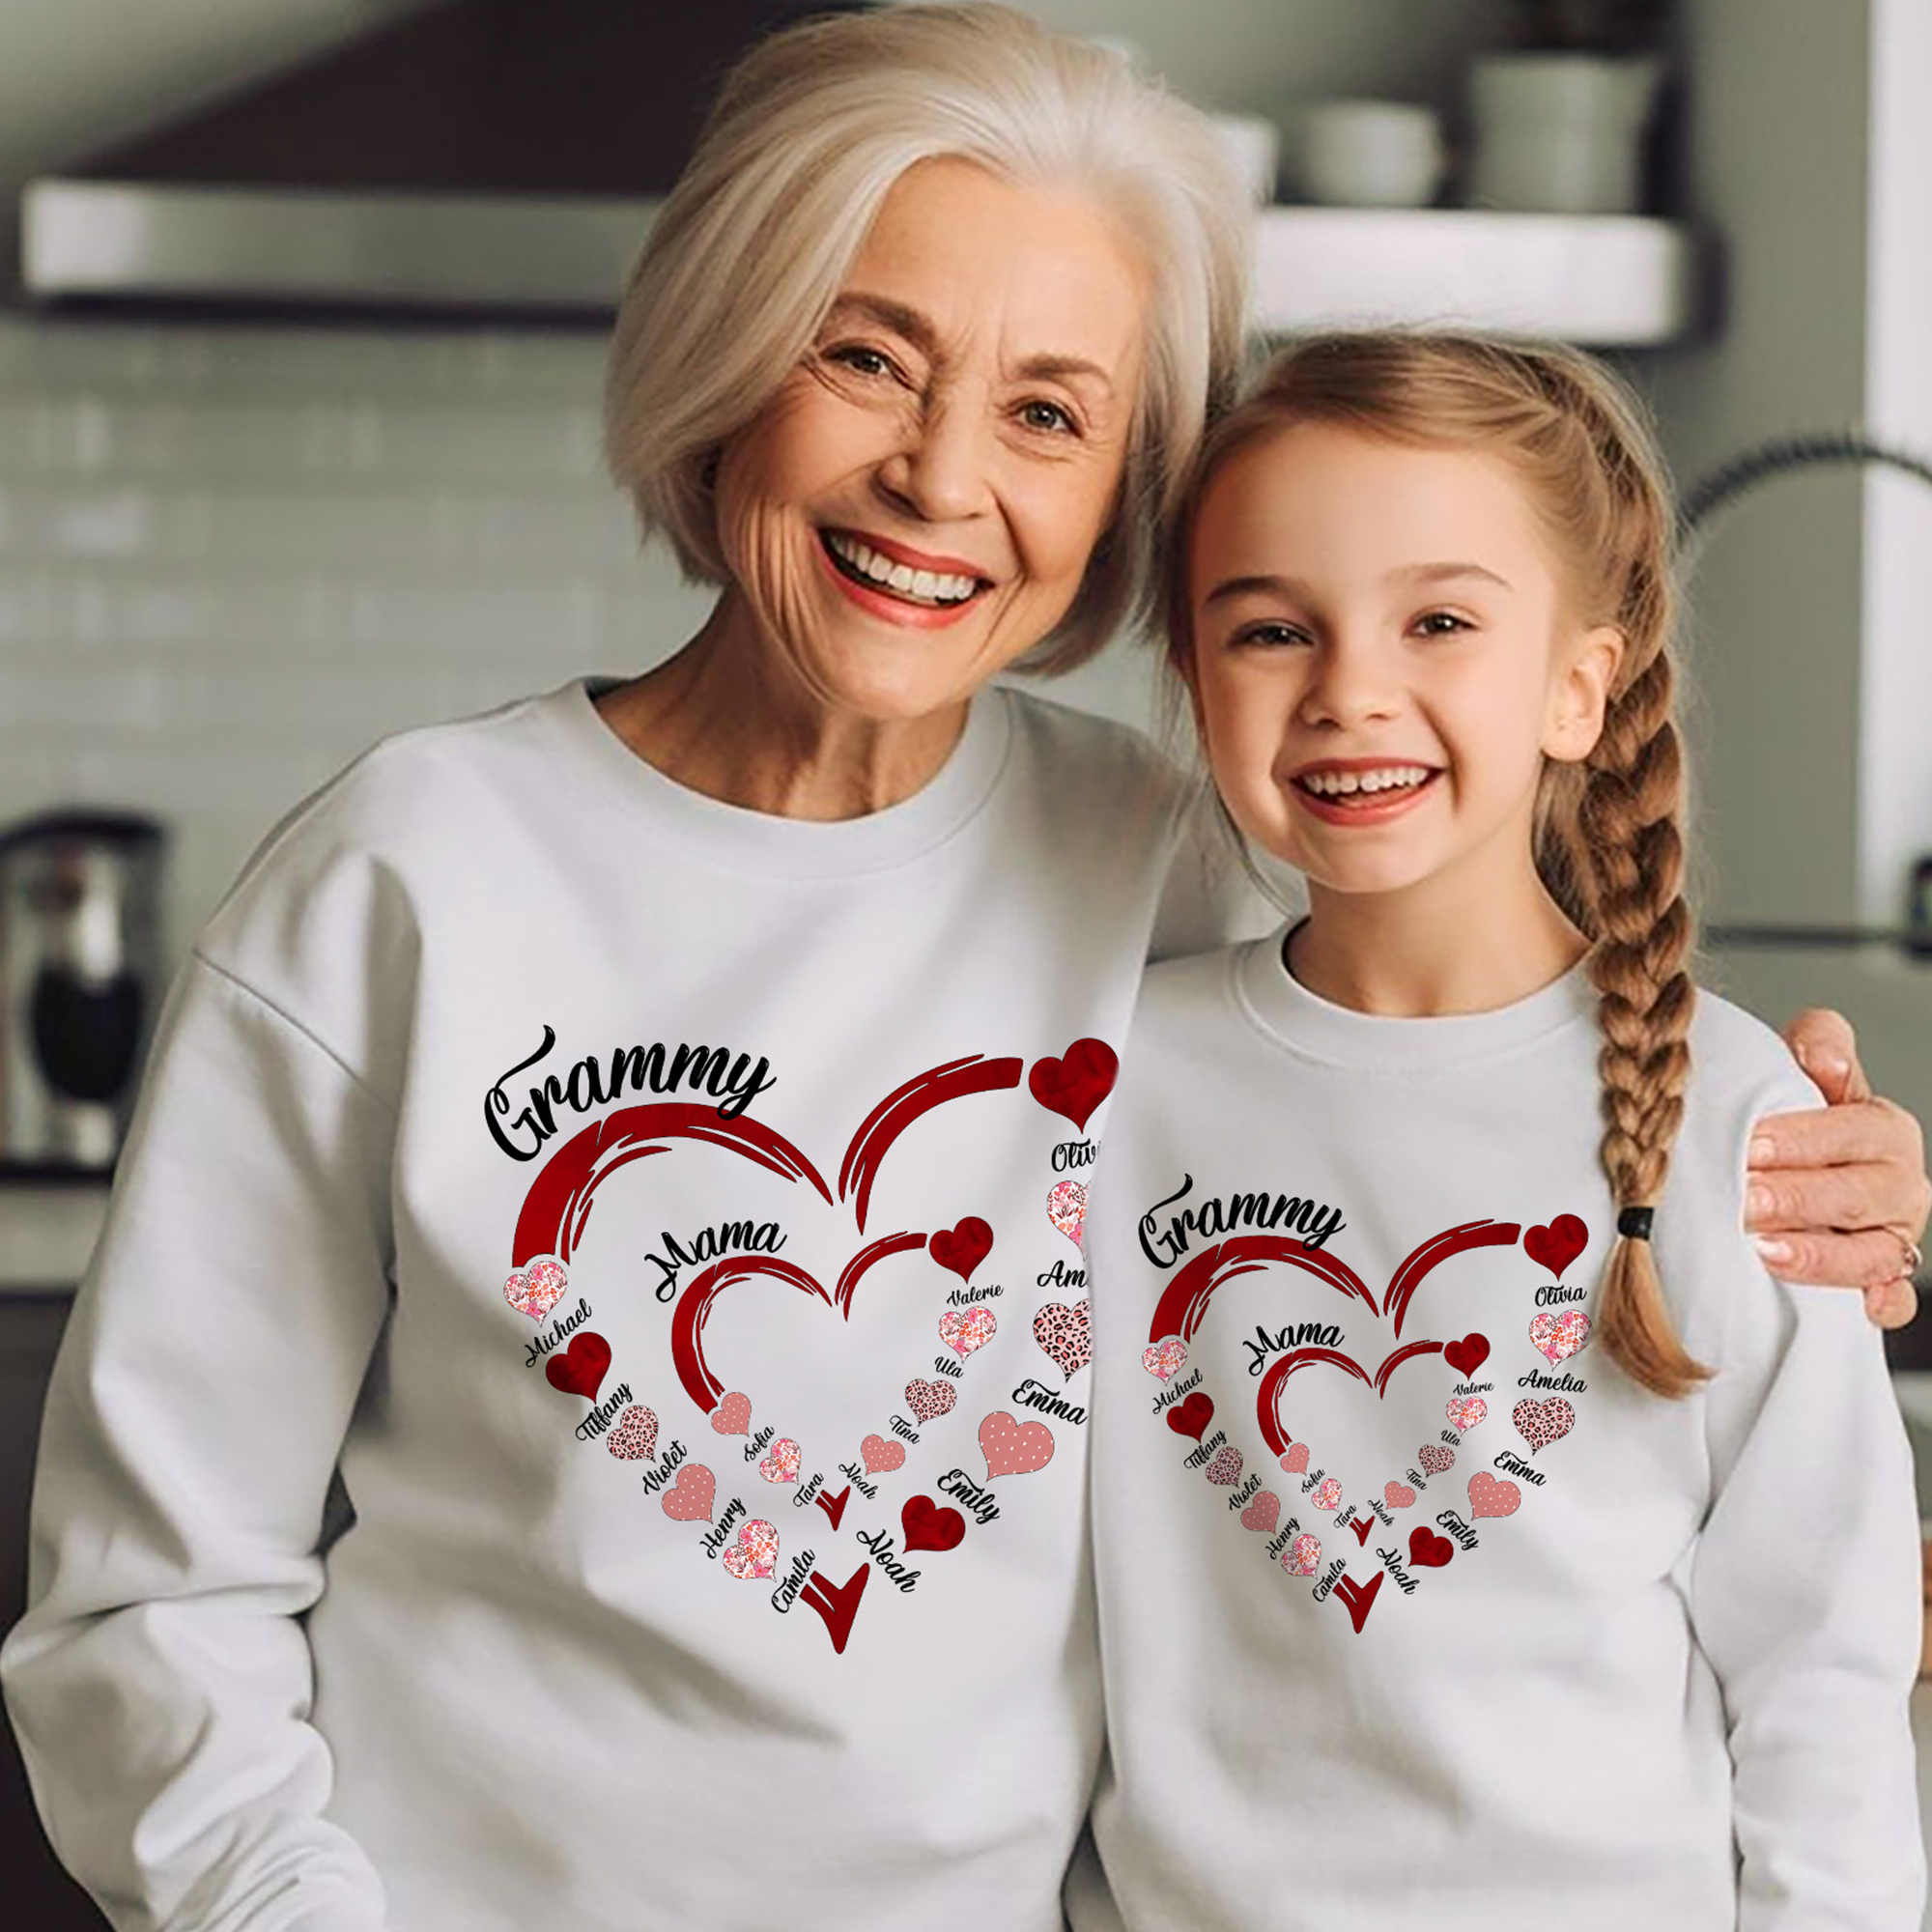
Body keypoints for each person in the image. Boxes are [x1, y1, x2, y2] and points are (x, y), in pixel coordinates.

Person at [0, 10, 1920, 1931]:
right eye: (865, 358)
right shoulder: (403, 879)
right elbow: (152, 1599)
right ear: (727, 355)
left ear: (1122, 498)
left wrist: (1801, 1165)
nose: (937, 478)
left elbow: (1476, 1089)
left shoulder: (1171, 863)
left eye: (1048, 414)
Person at [1077, 332, 1925, 1932]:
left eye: (1440, 622)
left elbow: (1823, 1652)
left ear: (1577, 686)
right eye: (1271, 629)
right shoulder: (1109, 1078)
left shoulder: (1732, 1114)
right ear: (1192, 678)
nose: (1348, 691)